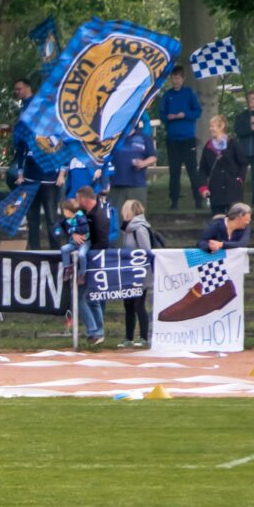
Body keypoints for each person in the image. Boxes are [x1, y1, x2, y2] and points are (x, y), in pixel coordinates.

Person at [159, 67, 203, 209]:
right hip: (172, 140)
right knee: (174, 172)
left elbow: (197, 111)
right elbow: (162, 114)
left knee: (192, 170)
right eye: (173, 78)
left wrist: (185, 115)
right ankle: (174, 201)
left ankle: (198, 200)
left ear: (182, 79)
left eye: (178, 78)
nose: (175, 81)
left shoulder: (189, 93)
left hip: (188, 138)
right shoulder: (167, 95)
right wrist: (168, 117)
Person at [73, 186, 110, 343]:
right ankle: (96, 331)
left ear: (83, 199)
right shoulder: (93, 212)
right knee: (91, 298)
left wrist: (88, 263)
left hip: (95, 260)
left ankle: (96, 331)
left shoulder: (97, 215)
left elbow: (101, 241)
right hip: (94, 258)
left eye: (77, 198)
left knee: (88, 297)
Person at [118, 199, 154, 348]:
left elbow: (146, 250)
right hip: (129, 272)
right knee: (128, 305)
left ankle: (144, 337)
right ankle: (128, 337)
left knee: (139, 304)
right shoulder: (128, 229)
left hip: (141, 273)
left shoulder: (139, 229)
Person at [196, 116, 246, 214]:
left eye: (212, 126)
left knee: (234, 220)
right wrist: (203, 187)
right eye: (210, 126)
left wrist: (239, 179)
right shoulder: (208, 146)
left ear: (221, 126)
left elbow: (243, 163)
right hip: (216, 191)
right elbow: (203, 169)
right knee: (218, 222)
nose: (210, 129)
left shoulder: (233, 143)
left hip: (232, 190)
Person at [108, 123, 157, 217]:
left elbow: (153, 157)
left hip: (137, 183)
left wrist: (143, 163)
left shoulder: (144, 137)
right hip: (115, 184)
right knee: (115, 218)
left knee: (138, 217)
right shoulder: (112, 138)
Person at [234, 91, 254, 208]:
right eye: (249, 99)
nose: (251, 101)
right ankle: (238, 200)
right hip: (244, 150)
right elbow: (238, 131)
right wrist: (250, 128)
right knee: (240, 177)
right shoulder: (241, 116)